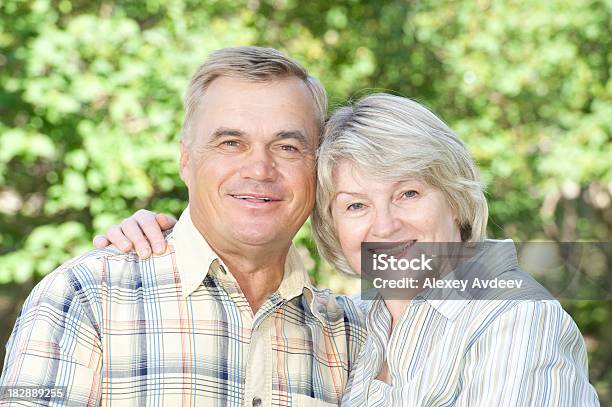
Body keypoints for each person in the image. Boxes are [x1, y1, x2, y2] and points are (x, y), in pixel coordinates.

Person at [101, 94, 601, 406]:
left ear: (456, 199)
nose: (385, 224)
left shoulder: (512, 318)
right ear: (331, 224)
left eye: (408, 193)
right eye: (356, 204)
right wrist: (163, 237)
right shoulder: (356, 326)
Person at [0, 46, 366, 406]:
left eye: (287, 147)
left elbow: (422, 280)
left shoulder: (354, 333)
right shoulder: (85, 296)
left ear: (318, 169)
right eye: (231, 142)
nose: (259, 169)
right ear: (185, 159)